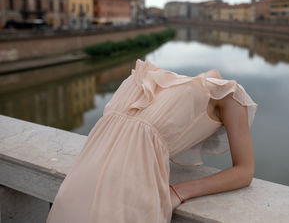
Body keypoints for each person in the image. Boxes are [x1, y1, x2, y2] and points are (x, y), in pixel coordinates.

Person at [46, 58, 258, 223]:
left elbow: (244, 172)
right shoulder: (228, 94)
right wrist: (179, 191)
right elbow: (244, 172)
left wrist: (179, 191)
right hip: (117, 198)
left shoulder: (142, 79)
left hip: (78, 187)